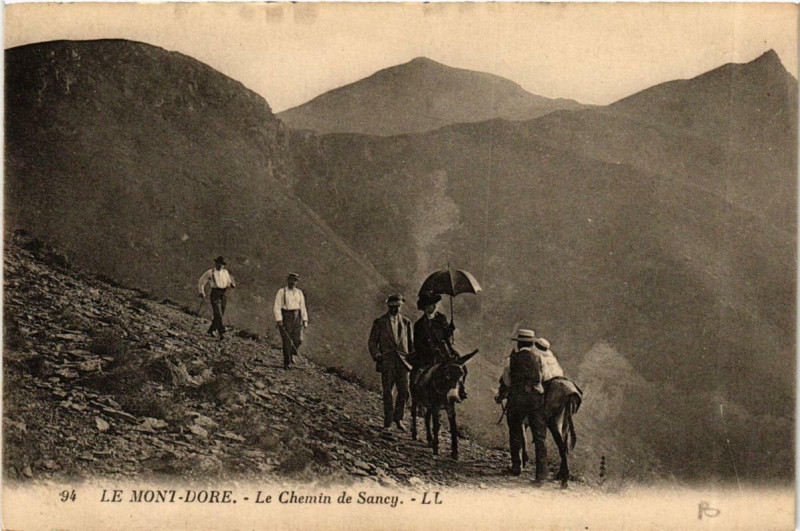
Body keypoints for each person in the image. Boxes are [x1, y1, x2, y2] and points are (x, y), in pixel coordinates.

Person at [499, 328, 548, 483]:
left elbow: (507, 381)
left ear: (519, 343)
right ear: (531, 344)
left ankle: (516, 466)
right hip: (535, 401)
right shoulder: (540, 358)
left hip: (517, 400)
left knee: (515, 431)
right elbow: (546, 377)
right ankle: (541, 475)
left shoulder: (510, 359)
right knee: (540, 437)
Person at [368, 294, 414, 431]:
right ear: (388, 306)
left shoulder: (406, 322)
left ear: (401, 306)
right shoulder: (380, 322)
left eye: (398, 306)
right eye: (393, 306)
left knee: (404, 392)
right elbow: (372, 342)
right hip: (387, 361)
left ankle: (398, 419)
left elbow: (411, 344)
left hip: (403, 363)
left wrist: (413, 360)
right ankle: (387, 422)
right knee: (388, 392)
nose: (396, 309)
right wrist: (376, 354)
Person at [411, 291, 468, 399]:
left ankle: (461, 390)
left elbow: (446, 336)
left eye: (435, 304)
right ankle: (421, 396)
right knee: (421, 378)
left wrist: (450, 330)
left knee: (462, 368)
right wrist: (430, 350)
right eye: (431, 304)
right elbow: (417, 344)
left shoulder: (441, 318)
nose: (434, 307)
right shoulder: (419, 325)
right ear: (425, 307)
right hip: (428, 356)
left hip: (445, 352)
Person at [274, 273, 308, 369]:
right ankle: (287, 362)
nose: (292, 282)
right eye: (291, 280)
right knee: (287, 340)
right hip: (286, 316)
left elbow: (303, 307)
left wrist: (305, 320)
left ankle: (293, 353)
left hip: (297, 317)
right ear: (287, 280)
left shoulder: (299, 293)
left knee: (298, 340)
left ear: (296, 282)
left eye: (295, 280)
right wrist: (279, 319)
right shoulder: (282, 292)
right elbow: (277, 306)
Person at [197, 256, 236, 340]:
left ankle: (211, 330)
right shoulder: (210, 272)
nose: (220, 266)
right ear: (216, 263)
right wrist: (201, 292)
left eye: (222, 264)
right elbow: (201, 282)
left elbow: (229, 283)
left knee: (220, 314)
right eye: (219, 264)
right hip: (215, 294)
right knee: (218, 314)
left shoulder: (225, 272)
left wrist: (231, 285)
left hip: (224, 294)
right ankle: (222, 332)